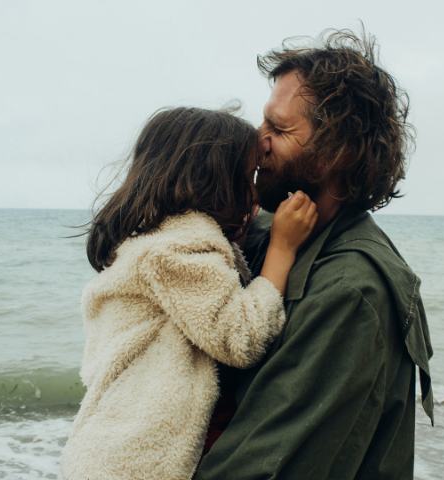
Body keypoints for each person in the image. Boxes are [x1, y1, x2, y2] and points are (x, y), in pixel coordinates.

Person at [194, 28, 435, 480]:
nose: (256, 140)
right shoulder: (264, 233)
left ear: (335, 154)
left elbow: (259, 468)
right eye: (263, 123)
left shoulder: (351, 292)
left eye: (278, 129)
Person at [60, 107, 318, 480]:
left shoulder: (152, 240)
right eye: (248, 178)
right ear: (214, 183)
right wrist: (282, 249)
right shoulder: (180, 250)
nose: (255, 193)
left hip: (106, 452)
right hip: (135, 464)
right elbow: (240, 337)